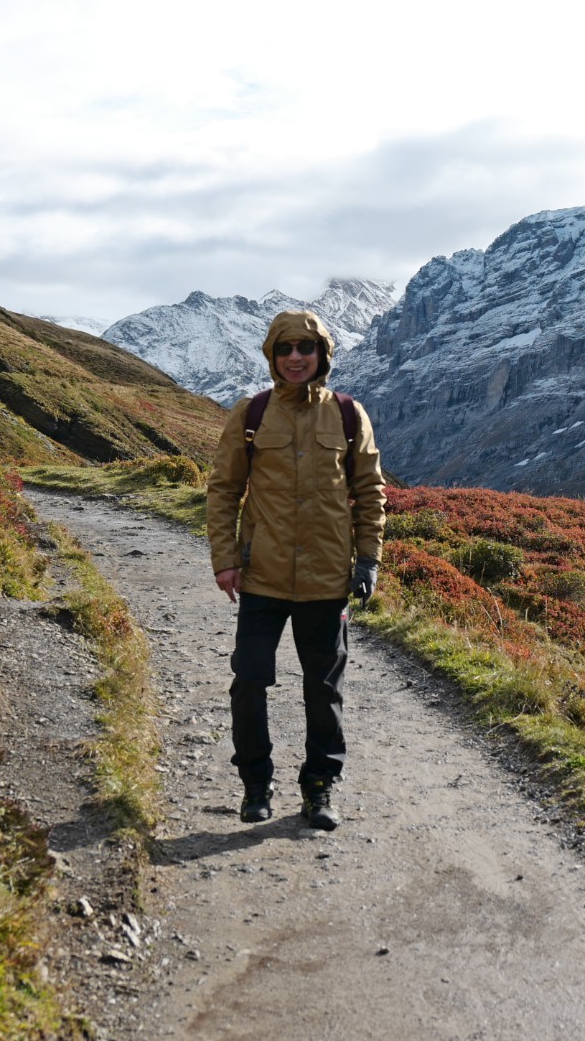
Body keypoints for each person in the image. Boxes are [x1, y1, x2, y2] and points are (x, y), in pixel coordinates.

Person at [206, 309, 386, 830]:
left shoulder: (350, 415)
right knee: (249, 682)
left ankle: (319, 788)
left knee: (324, 689)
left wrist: (368, 560)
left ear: (321, 356)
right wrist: (224, 560)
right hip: (260, 576)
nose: (294, 358)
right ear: (272, 356)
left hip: (327, 581)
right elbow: (223, 491)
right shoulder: (251, 414)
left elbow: (370, 493)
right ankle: (255, 785)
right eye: (285, 350)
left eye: (305, 349)